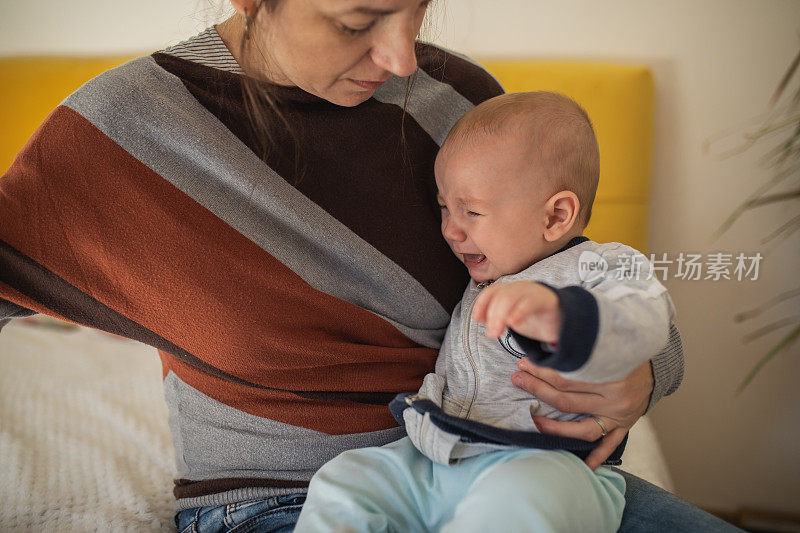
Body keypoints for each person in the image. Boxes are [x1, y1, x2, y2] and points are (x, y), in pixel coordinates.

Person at [0, 1, 730, 531]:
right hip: (279, 496)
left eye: (418, 13)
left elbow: (594, 280)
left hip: (513, 465)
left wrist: (644, 375)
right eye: (357, 22)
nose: (402, 58)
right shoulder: (121, 134)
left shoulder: (462, 105)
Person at [293, 91, 671, 532]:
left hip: (544, 465)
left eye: (472, 211)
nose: (451, 230)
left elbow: (647, 315)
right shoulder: (485, 273)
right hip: (439, 459)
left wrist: (566, 319)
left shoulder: (597, 266)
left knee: (513, 506)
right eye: (444, 208)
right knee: (347, 480)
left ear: (556, 216)